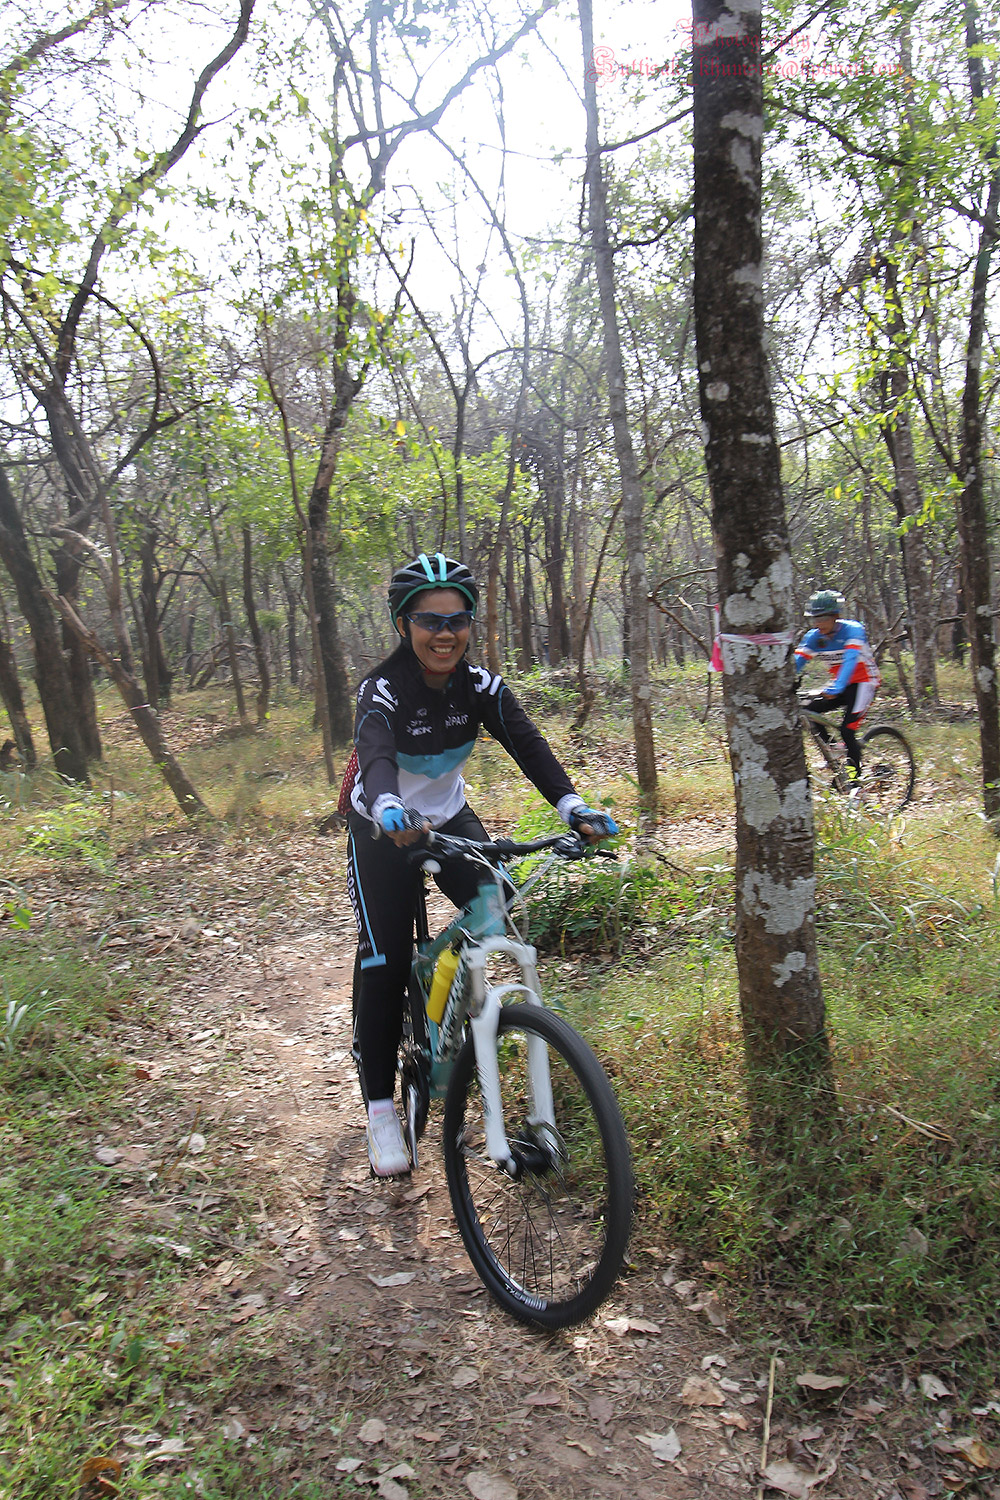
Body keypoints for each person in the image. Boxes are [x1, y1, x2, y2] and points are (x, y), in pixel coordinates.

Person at [344, 551, 618, 1178]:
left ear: (470, 624)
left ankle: (446, 988)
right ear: (404, 625)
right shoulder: (383, 687)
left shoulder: (481, 688)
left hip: (447, 817)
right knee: (384, 957)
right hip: (381, 828)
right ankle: (381, 1108)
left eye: (457, 620)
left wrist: (572, 806)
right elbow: (375, 753)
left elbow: (528, 744)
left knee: (498, 901)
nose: (444, 634)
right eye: (429, 621)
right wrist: (386, 804)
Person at [794, 589, 881, 777]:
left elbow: (850, 660)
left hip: (864, 683)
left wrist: (837, 687)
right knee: (809, 711)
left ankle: (854, 780)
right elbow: (796, 663)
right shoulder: (814, 637)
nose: (818, 623)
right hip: (842, 685)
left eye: (823, 618)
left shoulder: (853, 630)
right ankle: (835, 750)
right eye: (815, 618)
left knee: (847, 730)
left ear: (836, 616)